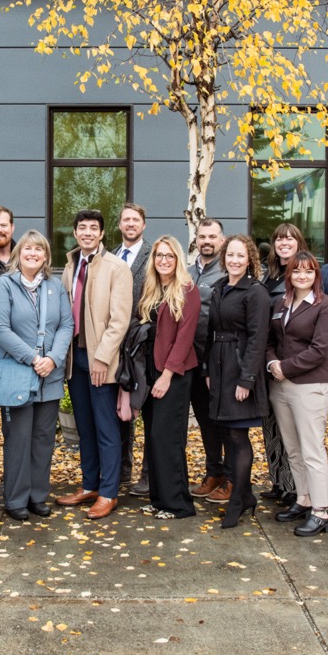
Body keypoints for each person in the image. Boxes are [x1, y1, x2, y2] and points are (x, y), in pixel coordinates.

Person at [0, 231, 75, 521]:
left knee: (43, 440)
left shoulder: (54, 286)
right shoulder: (4, 285)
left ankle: (38, 496)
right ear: (18, 253)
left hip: (49, 375)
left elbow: (66, 325)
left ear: (46, 256)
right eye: (28, 248)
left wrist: (53, 359)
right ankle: (15, 499)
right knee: (18, 439)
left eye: (39, 249)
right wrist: (33, 357)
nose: (33, 253)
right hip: (17, 373)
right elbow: (0, 329)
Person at [55, 209, 133, 521]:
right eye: (82, 228)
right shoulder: (70, 264)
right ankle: (89, 485)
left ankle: (109, 492)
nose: (87, 232)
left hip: (101, 359)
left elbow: (120, 319)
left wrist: (103, 357)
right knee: (84, 427)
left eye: (93, 228)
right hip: (75, 359)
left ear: (102, 234)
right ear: (75, 233)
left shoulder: (117, 267)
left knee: (105, 427)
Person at [265, 251, 328, 536]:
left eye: (308, 271)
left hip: (310, 386)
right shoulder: (281, 303)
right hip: (280, 385)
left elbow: (320, 350)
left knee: (311, 449)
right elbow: (271, 340)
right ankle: (304, 498)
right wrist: (273, 363)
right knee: (292, 448)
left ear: (316, 275)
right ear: (290, 275)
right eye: (297, 271)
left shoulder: (326, 306)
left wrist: (285, 367)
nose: (302, 276)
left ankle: (321, 511)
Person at [203, 235, 271, 529]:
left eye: (240, 256)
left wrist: (247, 380)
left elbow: (258, 339)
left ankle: (238, 500)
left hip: (240, 367)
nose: (234, 260)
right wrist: (207, 369)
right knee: (227, 435)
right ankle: (245, 495)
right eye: (230, 255)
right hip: (218, 367)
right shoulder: (219, 288)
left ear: (250, 259)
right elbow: (209, 331)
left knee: (238, 437)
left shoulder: (255, 292)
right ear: (223, 258)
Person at [135, 236, 199, 520]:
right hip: (149, 371)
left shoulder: (187, 290)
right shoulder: (151, 288)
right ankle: (159, 500)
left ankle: (179, 505)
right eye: (159, 255)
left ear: (178, 260)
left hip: (173, 373)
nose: (163, 260)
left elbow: (185, 339)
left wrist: (167, 376)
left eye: (169, 256)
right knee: (153, 438)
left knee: (169, 439)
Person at [258, 222, 307, 507]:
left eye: (290, 239)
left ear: (298, 242)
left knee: (294, 431)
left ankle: (296, 488)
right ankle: (279, 481)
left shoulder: (303, 273)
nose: (284, 243)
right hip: (268, 359)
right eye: (279, 239)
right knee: (272, 426)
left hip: (291, 362)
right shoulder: (270, 275)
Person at [187, 218, 229, 503]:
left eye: (212, 236)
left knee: (226, 423)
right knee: (205, 422)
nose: (207, 241)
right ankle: (214, 473)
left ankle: (232, 478)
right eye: (202, 236)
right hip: (190, 360)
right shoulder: (187, 272)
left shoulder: (229, 272)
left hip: (219, 362)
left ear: (222, 240)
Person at [112, 203, 149, 496]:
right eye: (126, 220)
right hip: (116, 345)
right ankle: (122, 469)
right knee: (120, 410)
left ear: (143, 225)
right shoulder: (110, 256)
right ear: (120, 225)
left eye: (135, 220)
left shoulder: (153, 257)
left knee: (146, 408)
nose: (130, 224)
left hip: (144, 342)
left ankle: (148, 474)